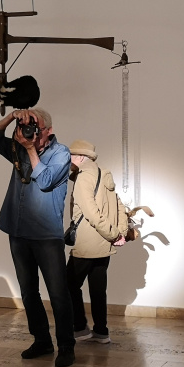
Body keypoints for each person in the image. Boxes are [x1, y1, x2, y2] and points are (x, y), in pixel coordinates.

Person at [0, 107, 76, 367]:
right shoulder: (18, 148)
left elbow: (45, 180)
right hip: (18, 231)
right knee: (28, 292)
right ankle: (42, 341)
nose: (31, 133)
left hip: (46, 235)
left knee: (58, 293)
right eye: (27, 127)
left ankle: (66, 346)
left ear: (48, 130)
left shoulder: (61, 153)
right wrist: (12, 117)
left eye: (36, 128)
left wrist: (31, 150)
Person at [65, 139, 129, 345]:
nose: (68, 160)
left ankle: (79, 328)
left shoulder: (84, 177)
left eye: (70, 156)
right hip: (103, 245)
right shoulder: (104, 174)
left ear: (80, 157)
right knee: (98, 289)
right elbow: (120, 207)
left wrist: (114, 234)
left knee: (68, 285)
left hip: (87, 243)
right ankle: (101, 331)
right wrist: (120, 233)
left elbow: (91, 213)